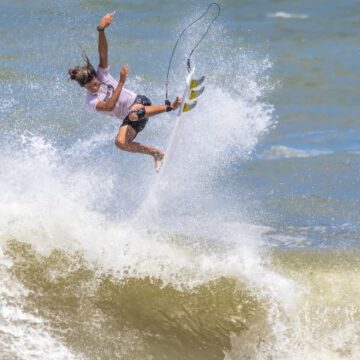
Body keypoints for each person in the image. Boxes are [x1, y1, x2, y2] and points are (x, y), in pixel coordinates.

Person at [68, 11, 180, 172]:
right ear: (83, 87)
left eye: (94, 82)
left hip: (139, 103)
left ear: (95, 76)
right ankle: (156, 153)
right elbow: (109, 106)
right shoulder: (90, 101)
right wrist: (121, 81)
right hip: (133, 119)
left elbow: (103, 53)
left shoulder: (101, 74)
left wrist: (101, 30)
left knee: (133, 112)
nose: (95, 86)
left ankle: (171, 107)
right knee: (120, 143)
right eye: (90, 86)